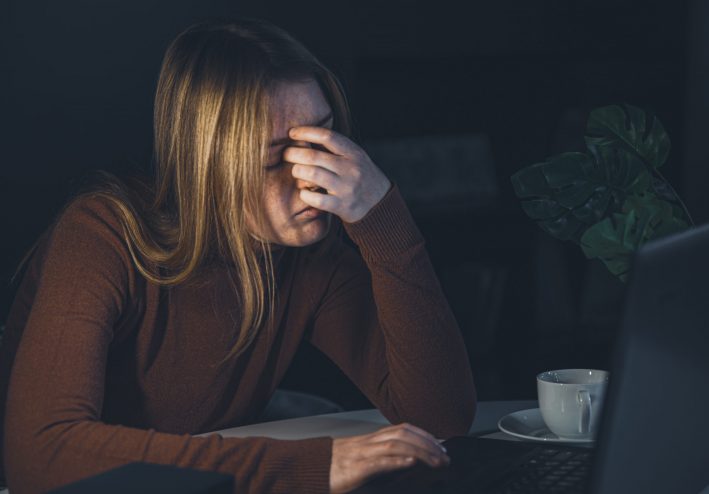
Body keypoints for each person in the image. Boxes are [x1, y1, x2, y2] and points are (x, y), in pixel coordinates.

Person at [0, 18, 476, 494]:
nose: (315, 182)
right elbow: (40, 455)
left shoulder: (312, 256)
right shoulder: (102, 233)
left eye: (321, 143)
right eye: (275, 160)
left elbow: (439, 418)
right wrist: (311, 466)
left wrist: (382, 218)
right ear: (208, 166)